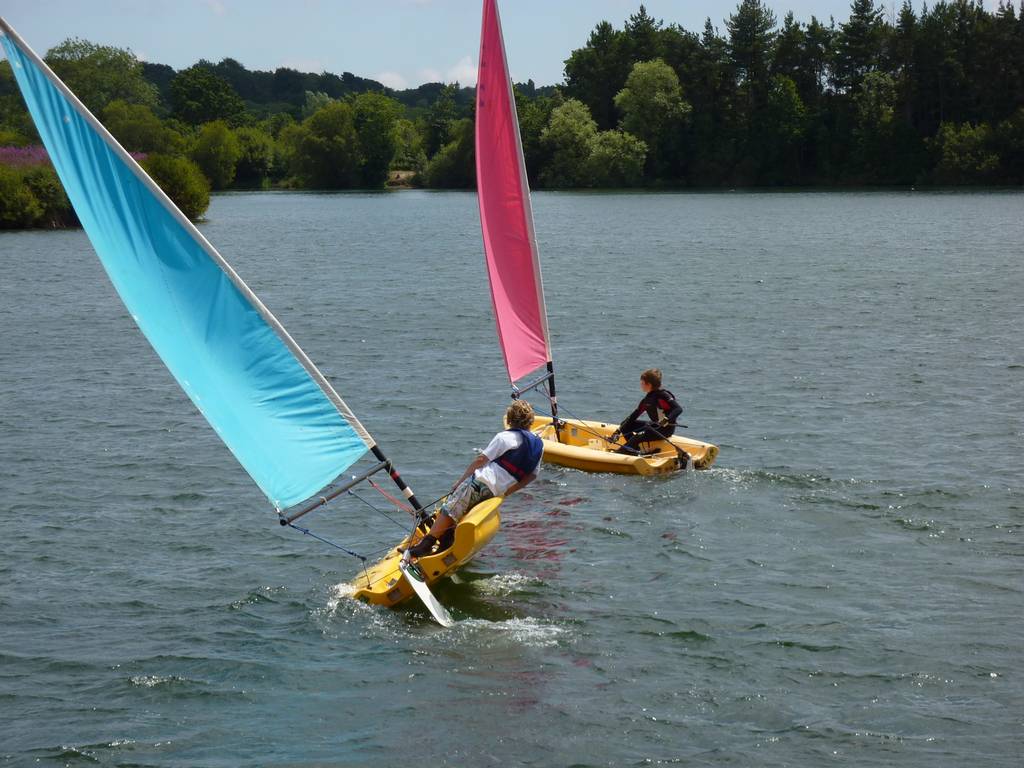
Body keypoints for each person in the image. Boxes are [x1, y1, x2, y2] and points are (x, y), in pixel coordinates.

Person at [402, 399, 542, 560]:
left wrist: (460, 481)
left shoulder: (505, 437)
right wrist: (507, 492)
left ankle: (425, 546)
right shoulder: (539, 445)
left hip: (480, 482)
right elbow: (532, 475)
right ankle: (445, 543)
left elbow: (481, 460)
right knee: (460, 512)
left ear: (510, 419)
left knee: (449, 508)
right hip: (496, 492)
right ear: (530, 420)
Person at [610, 368, 684, 455]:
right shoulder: (647, 399)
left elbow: (678, 409)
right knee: (626, 425)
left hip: (665, 430)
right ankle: (634, 450)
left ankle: (622, 452)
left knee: (637, 437)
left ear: (648, 384)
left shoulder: (663, 396)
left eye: (642, 383)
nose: (640, 385)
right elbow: (633, 416)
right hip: (655, 426)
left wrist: (667, 419)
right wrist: (617, 432)